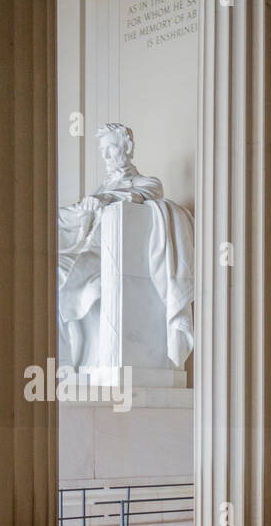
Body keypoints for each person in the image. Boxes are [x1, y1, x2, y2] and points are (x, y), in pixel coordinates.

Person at [55, 123, 193, 370]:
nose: (106, 156)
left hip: (111, 259)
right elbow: (77, 216)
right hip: (86, 253)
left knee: (63, 279)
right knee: (46, 274)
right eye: (102, 150)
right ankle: (66, 363)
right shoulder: (101, 188)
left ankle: (77, 362)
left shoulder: (147, 182)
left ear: (127, 147)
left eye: (110, 148)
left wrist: (105, 199)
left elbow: (137, 197)